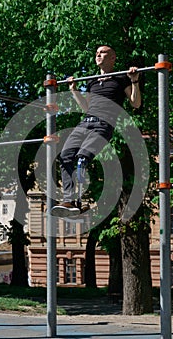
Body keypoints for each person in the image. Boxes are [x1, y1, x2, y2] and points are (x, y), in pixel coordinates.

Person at [51, 45, 141, 217]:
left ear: (112, 58)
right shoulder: (92, 81)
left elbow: (135, 103)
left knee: (82, 158)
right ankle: (69, 199)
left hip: (103, 125)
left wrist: (134, 81)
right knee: (65, 155)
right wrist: (74, 90)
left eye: (103, 53)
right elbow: (86, 108)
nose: (98, 55)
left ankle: (78, 202)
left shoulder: (120, 78)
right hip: (85, 123)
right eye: (97, 53)